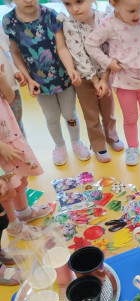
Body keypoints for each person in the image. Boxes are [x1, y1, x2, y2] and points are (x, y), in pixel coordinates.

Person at [3, 0, 91, 166]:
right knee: (51, 117)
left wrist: (70, 69)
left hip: (64, 78)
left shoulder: (50, 15)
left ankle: (76, 142)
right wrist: (29, 80)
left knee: (70, 115)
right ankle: (59, 146)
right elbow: (15, 53)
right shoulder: (9, 21)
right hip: (39, 84)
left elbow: (62, 47)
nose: (28, 0)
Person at [85, 0, 140, 166]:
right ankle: (133, 148)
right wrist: (108, 63)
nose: (139, 14)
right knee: (130, 118)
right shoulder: (110, 24)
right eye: (132, 11)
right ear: (114, 4)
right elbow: (90, 44)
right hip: (125, 82)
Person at [59, 0, 124, 163]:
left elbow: (111, 49)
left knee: (108, 111)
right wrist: (95, 81)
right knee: (91, 115)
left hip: (105, 75)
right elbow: (78, 54)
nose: (74, 9)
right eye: (68, 4)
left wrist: (104, 78)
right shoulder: (69, 24)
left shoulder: (105, 18)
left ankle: (111, 136)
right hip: (84, 78)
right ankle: (98, 145)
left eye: (79, 2)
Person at [0, 63, 50, 240]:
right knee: (6, 191)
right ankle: (13, 226)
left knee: (21, 180)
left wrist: (2, 80)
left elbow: (9, 98)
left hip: (12, 140)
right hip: (2, 150)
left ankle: (24, 212)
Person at [0, 26, 26, 137]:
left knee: (17, 124)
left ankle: (23, 145)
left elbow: (7, 54)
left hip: (12, 90)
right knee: (4, 131)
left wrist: (15, 71)